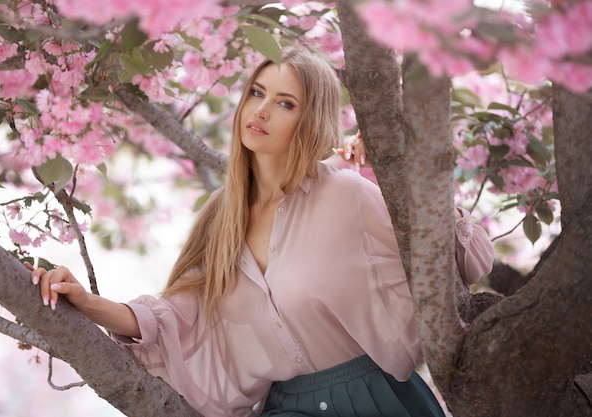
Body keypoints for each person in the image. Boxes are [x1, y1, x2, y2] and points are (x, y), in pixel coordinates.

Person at [30, 47, 494, 417]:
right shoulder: (221, 216)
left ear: (309, 120)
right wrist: (86, 303)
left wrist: (405, 175)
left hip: (379, 400)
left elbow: (467, 263)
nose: (263, 110)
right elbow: (175, 318)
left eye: (285, 102)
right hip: (287, 407)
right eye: (256, 92)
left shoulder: (347, 194)